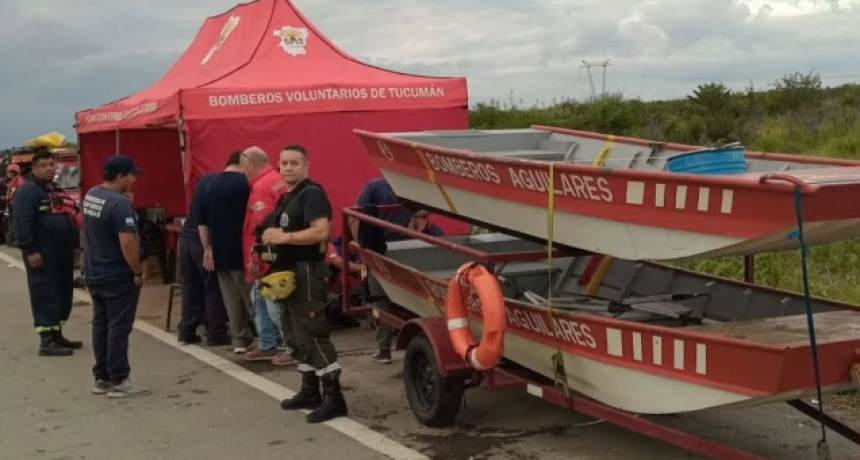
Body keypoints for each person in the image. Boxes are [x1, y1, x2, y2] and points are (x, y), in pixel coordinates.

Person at [260, 144, 348, 423]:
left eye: (294, 163)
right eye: (283, 163)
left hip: (308, 272)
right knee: (292, 333)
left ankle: (334, 398)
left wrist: (283, 238)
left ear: (306, 166)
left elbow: (321, 231)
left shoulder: (312, 193)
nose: (287, 167)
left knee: (311, 331)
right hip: (286, 272)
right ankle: (310, 390)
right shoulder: (287, 196)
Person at [81, 155, 150, 398]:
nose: (134, 179)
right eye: (131, 175)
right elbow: (127, 242)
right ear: (119, 177)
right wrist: (137, 270)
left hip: (94, 270)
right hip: (116, 273)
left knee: (101, 325)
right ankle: (119, 379)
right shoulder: (118, 204)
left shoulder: (92, 194)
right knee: (118, 327)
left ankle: (102, 377)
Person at [12, 149, 81, 356]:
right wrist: (30, 250)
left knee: (61, 292)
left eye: (51, 165)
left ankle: (57, 333)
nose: (49, 169)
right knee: (44, 293)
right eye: (44, 165)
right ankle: (47, 341)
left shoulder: (52, 188)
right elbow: (22, 223)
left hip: (61, 252)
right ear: (34, 168)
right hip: (41, 253)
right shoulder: (28, 191)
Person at [199, 151, 256, 353]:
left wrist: (208, 247)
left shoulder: (209, 184)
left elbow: (202, 222)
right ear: (244, 162)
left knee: (231, 298)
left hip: (220, 251)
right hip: (243, 250)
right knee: (252, 297)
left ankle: (239, 339)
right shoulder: (247, 184)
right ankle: (267, 338)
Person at [240, 146, 291, 363]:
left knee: (271, 301)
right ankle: (268, 342)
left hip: (266, 256)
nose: (242, 170)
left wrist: (255, 257)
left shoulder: (261, 186)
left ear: (249, 164)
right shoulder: (276, 179)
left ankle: (291, 346)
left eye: (243, 165)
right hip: (275, 252)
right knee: (260, 297)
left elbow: (261, 226)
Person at [176, 169, 229, 346]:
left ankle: (186, 329)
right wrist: (210, 246)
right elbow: (211, 220)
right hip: (203, 242)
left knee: (190, 287)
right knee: (213, 287)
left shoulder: (205, 180)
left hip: (186, 240)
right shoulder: (221, 186)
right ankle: (216, 333)